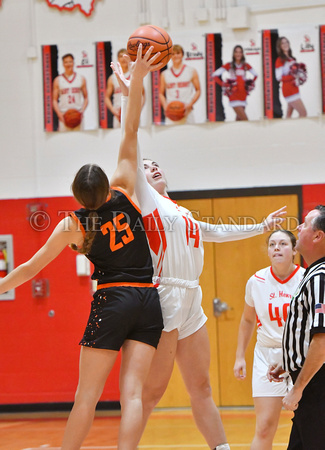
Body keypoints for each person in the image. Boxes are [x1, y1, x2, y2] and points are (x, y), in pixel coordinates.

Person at [112, 59, 287, 450]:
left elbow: (217, 231)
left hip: (191, 297)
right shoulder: (144, 201)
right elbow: (131, 138)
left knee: (202, 386)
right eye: (145, 166)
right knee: (152, 394)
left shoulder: (183, 211)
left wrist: (261, 227)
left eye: (155, 164)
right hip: (162, 296)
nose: (151, 167)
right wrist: (129, 94)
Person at [0, 46, 163, 450]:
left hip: (112, 300)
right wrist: (137, 80)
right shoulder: (126, 192)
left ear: (76, 195)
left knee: (86, 396)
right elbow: (130, 129)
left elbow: (29, 270)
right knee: (135, 396)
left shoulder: (73, 225)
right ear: (107, 186)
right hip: (148, 299)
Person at [234, 230, 305, 450]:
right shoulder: (256, 281)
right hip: (267, 354)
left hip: (300, 356)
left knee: (307, 423)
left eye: (283, 243)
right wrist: (239, 357)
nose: (276, 248)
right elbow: (247, 320)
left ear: (294, 250)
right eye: (272, 244)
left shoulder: (306, 278)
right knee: (264, 426)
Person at [268, 205, 325, 450]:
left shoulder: (320, 277)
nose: (298, 227)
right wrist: (290, 360)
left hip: (316, 387)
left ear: (317, 236)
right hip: (310, 382)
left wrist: (298, 389)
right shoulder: (312, 274)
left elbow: (322, 340)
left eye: (304, 224)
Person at [212, 45, 257, 121]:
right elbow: (214, 75)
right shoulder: (229, 65)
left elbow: (256, 75)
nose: (238, 54)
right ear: (233, 54)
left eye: (240, 52)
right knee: (245, 120)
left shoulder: (245, 65)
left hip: (243, 95)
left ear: (242, 54)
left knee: (239, 121)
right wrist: (223, 84)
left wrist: (249, 84)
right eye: (236, 52)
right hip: (234, 95)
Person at [159, 44, 201, 124]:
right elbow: (161, 93)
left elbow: (198, 90)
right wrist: (165, 106)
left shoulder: (191, 71)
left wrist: (190, 104)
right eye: (173, 54)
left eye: (178, 53)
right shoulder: (164, 74)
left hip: (187, 112)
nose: (175, 56)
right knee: (171, 136)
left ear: (182, 55)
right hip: (171, 112)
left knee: (190, 135)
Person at [105, 48, 145, 128]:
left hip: (132, 113)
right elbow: (106, 97)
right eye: (120, 56)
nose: (123, 58)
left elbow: (143, 95)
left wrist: (138, 109)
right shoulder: (112, 78)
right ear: (117, 59)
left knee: (133, 137)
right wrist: (113, 111)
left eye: (125, 56)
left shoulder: (135, 75)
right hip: (118, 114)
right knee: (118, 138)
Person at [52, 53, 89, 132]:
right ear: (63, 64)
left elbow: (86, 98)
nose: (68, 64)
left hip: (77, 114)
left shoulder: (81, 78)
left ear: (73, 63)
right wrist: (59, 114)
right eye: (66, 62)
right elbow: (54, 100)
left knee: (80, 139)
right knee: (64, 141)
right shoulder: (57, 80)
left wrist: (81, 111)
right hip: (64, 114)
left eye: (70, 62)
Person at [275, 37, 307, 118]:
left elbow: (296, 73)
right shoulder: (279, 60)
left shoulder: (292, 58)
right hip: (289, 89)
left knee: (288, 116)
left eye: (286, 42)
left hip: (294, 88)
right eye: (283, 43)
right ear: (280, 46)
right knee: (303, 113)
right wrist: (292, 77)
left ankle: (286, 130)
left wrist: (301, 76)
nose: (285, 44)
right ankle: (296, 130)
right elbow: (278, 77)